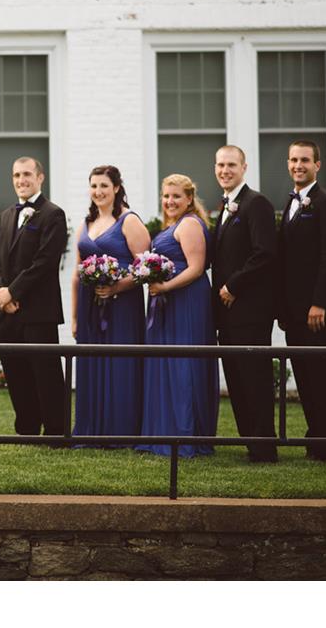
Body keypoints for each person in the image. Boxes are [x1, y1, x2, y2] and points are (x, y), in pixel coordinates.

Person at [137, 173, 219, 457]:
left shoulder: (190, 225)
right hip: (168, 302)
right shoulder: (171, 225)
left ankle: (186, 436)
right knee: (165, 364)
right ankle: (163, 432)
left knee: (183, 365)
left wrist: (164, 286)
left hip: (187, 303)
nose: (170, 201)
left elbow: (196, 269)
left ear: (189, 200)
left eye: (176, 197)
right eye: (166, 196)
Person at [275, 139, 326, 462]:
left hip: (318, 312)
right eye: (293, 160)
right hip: (295, 313)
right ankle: (314, 437)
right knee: (304, 377)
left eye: (305, 160)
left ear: (318, 165)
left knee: (324, 377)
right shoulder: (291, 202)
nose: (298, 165)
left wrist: (319, 302)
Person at [0, 156, 69, 437]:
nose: (21, 180)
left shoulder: (53, 214)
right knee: (16, 372)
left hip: (38, 310)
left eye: (26, 174)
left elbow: (45, 262)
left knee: (45, 374)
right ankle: (27, 428)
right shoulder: (6, 214)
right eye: (16, 175)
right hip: (6, 311)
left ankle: (56, 431)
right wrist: (2, 294)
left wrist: (14, 291)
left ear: (40, 178)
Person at [71, 165, 149, 446]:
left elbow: (145, 268)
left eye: (104, 186)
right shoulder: (85, 223)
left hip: (122, 307)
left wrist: (116, 286)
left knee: (120, 365)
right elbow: (76, 274)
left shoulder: (129, 221)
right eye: (94, 186)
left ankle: (122, 431)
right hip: (90, 308)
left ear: (116, 188)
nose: (98, 192)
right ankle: (92, 430)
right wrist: (76, 317)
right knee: (91, 365)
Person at [212, 145, 278, 463]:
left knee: (255, 378)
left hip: (250, 311)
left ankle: (264, 446)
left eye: (231, 165)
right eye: (220, 165)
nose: (225, 170)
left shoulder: (256, 203)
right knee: (237, 379)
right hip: (227, 314)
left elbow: (265, 253)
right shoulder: (225, 206)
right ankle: (250, 443)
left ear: (244, 167)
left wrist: (233, 286)